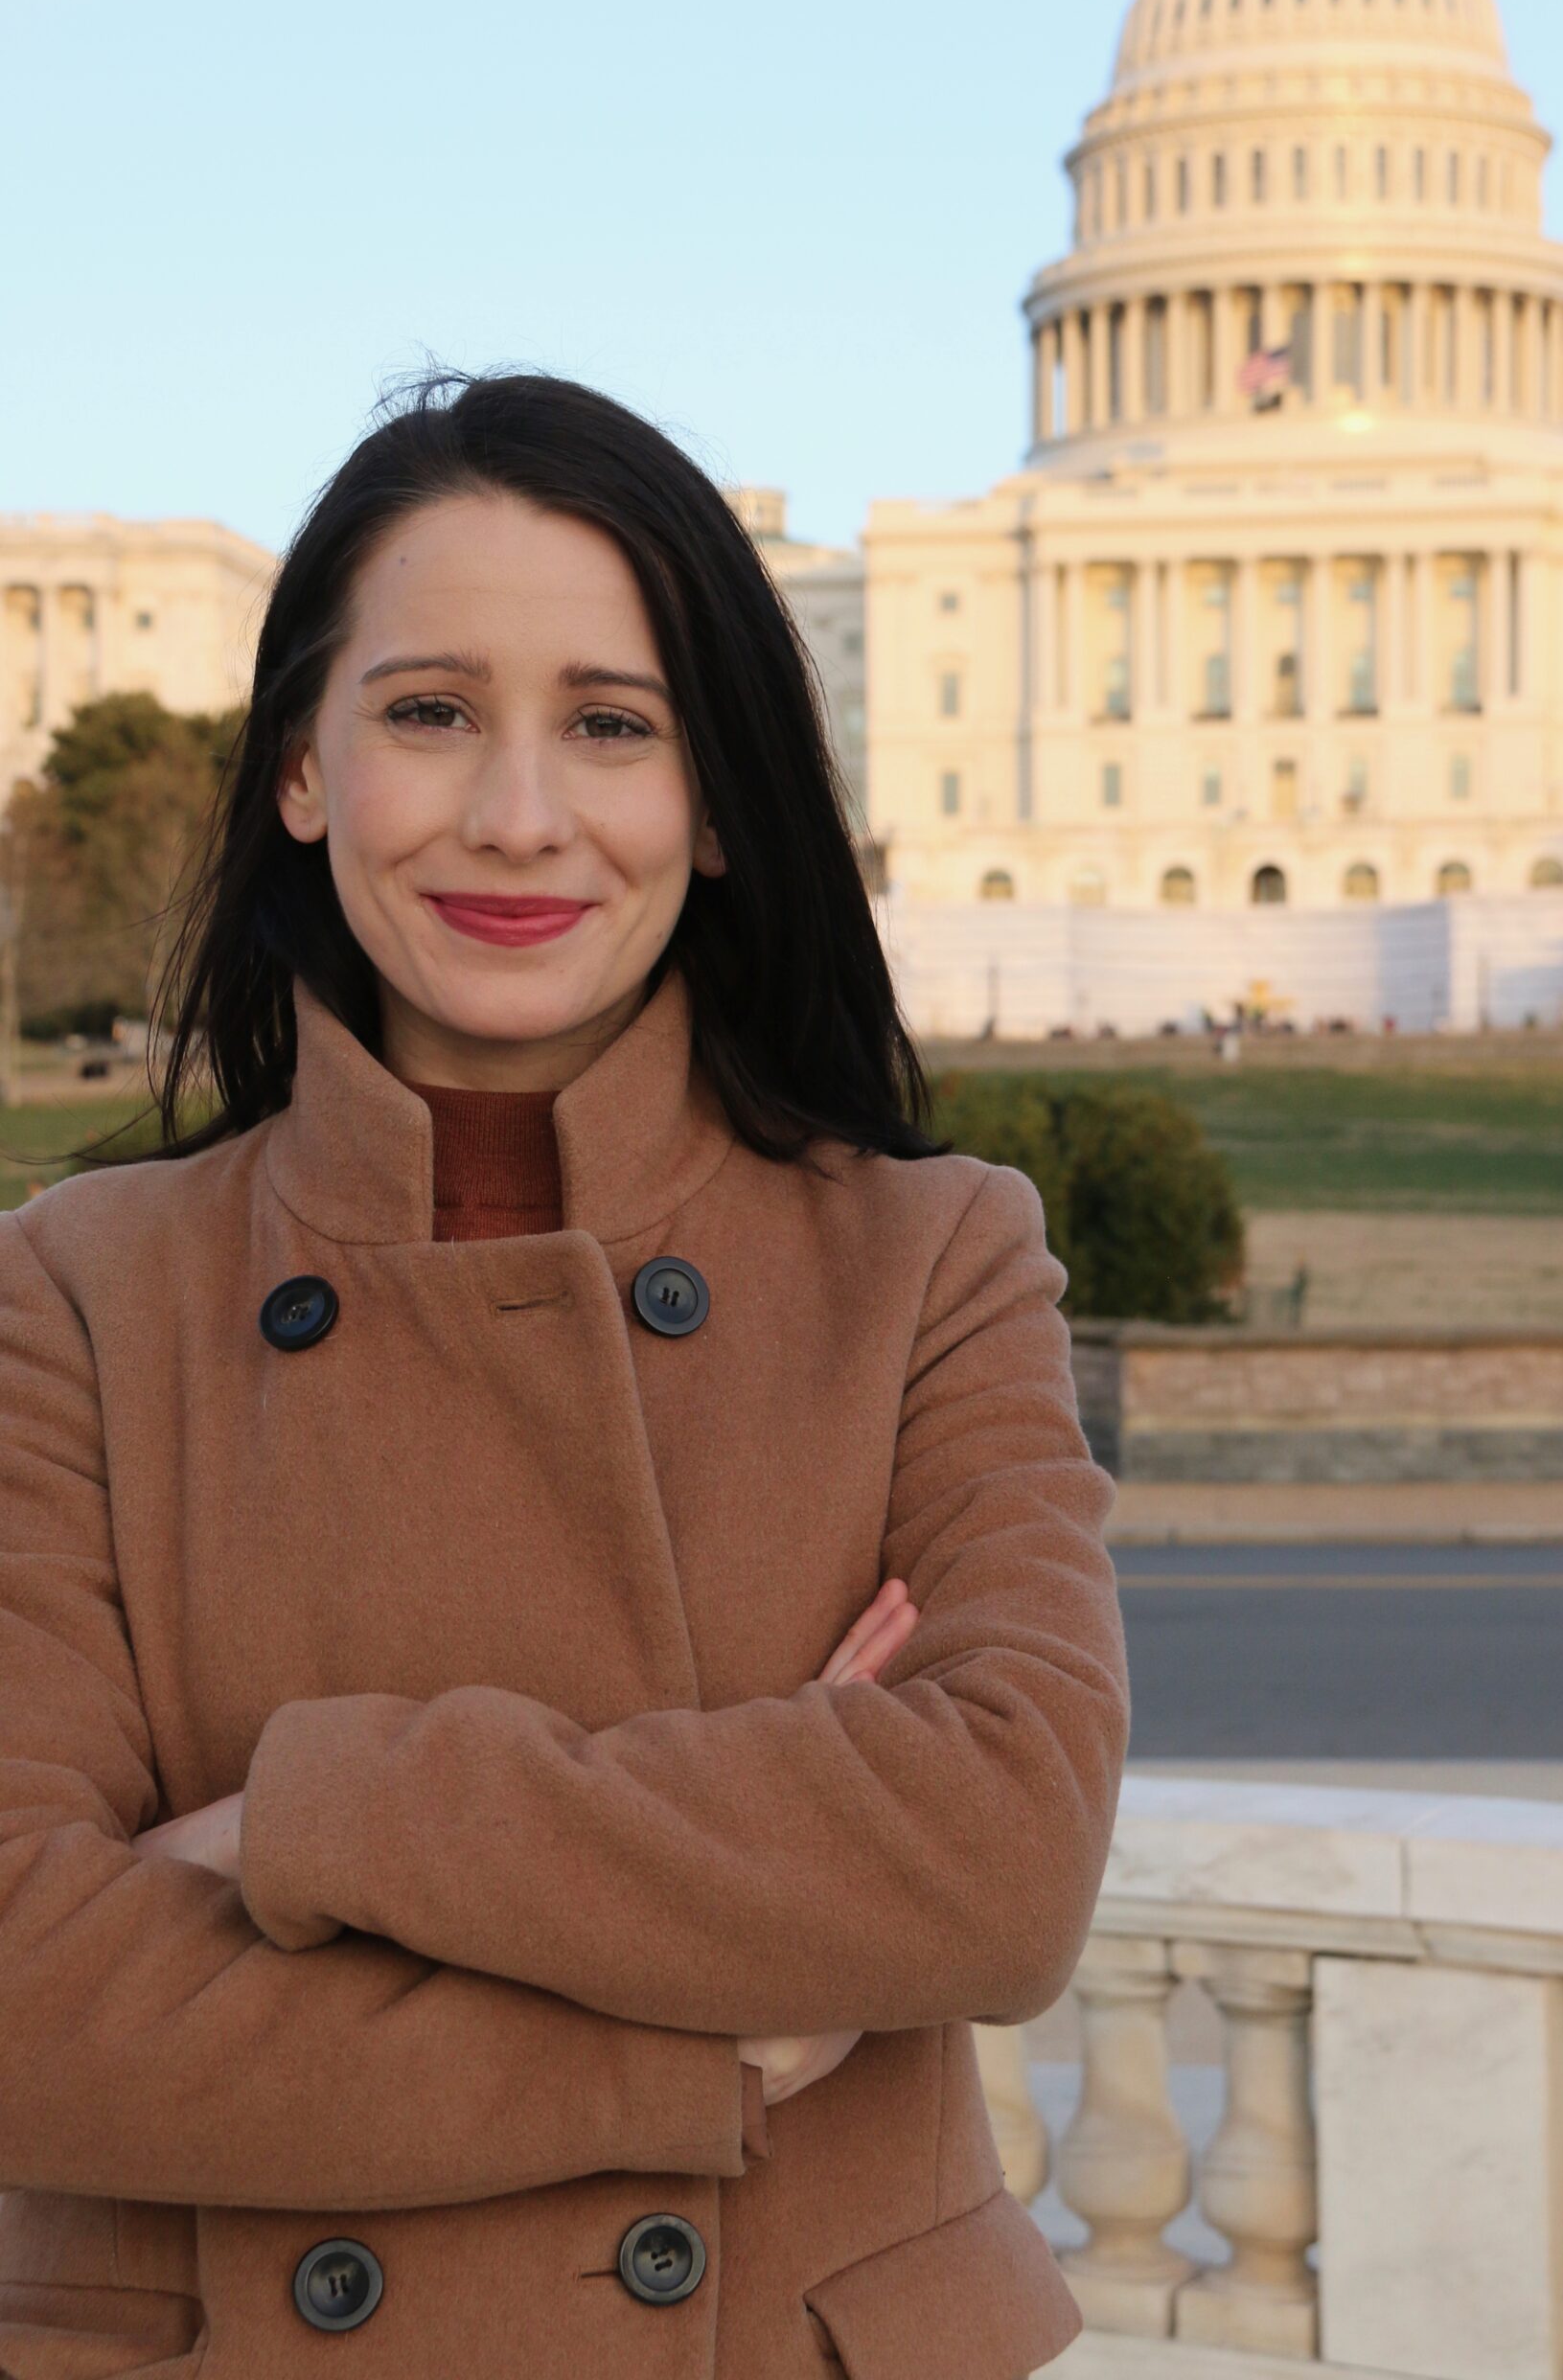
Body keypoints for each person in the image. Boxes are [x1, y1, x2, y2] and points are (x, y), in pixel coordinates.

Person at [0, 369, 1130, 2379]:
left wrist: (296, 1815)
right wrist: (696, 2028)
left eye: (612, 725)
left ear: (712, 802)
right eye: (430, 712)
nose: (518, 813)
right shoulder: (76, 1297)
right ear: (299, 769)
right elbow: (27, 2005)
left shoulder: (931, 1256)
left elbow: (1003, 1851)